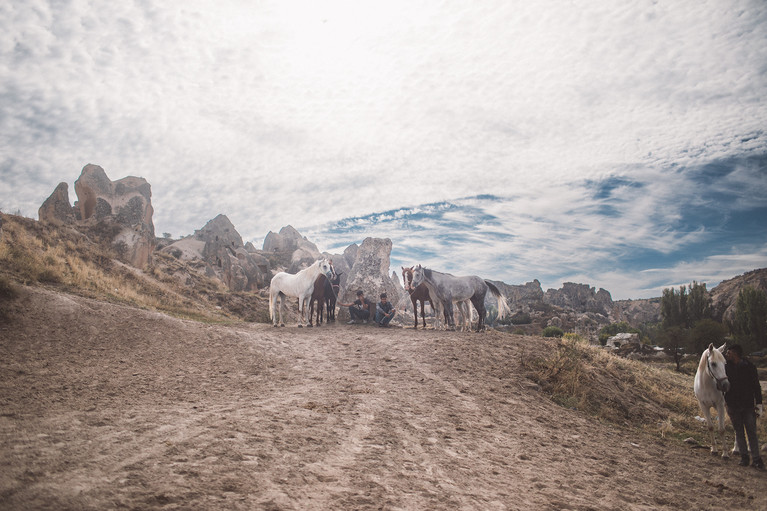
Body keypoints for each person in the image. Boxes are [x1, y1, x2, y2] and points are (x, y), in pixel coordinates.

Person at [724, 344, 764, 470]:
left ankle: (757, 459)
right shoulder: (726, 368)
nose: (727, 355)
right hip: (733, 405)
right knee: (739, 432)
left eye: (728, 352)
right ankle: (744, 458)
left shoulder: (749, 367)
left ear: (735, 353)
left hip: (747, 406)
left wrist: (759, 403)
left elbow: (756, 386)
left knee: (751, 432)